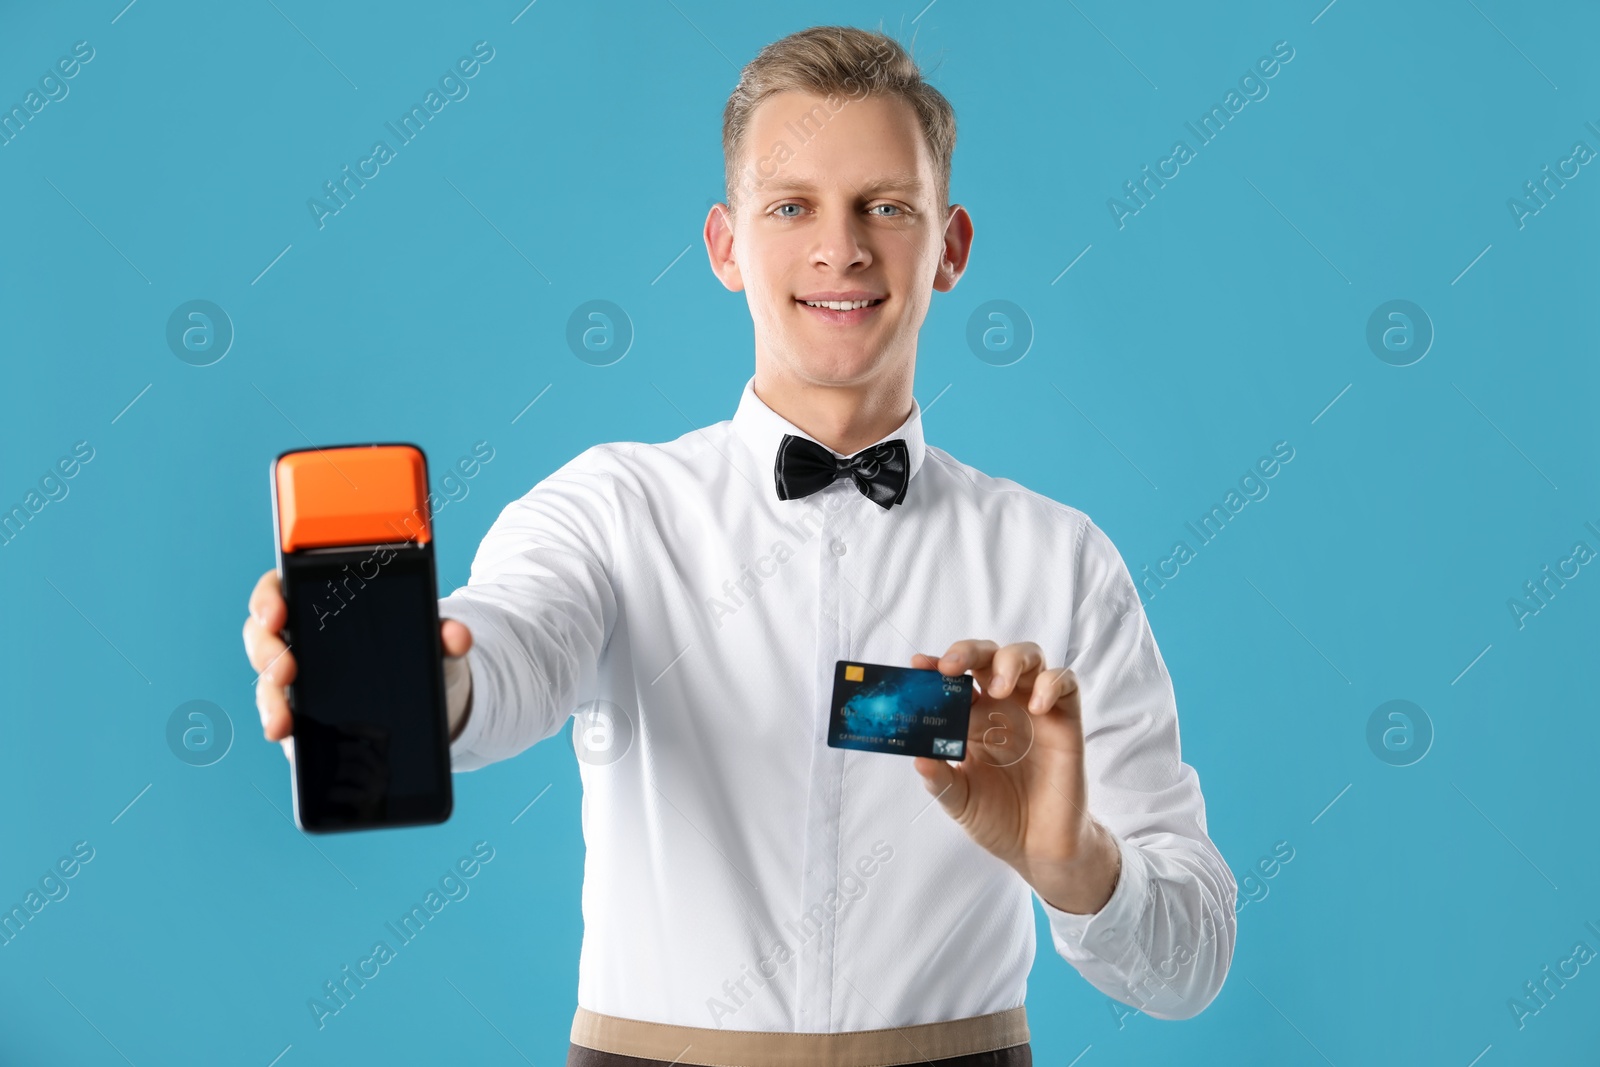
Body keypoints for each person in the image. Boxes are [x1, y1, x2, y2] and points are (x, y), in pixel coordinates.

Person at [242, 24, 1235, 1067]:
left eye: (885, 207)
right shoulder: (609, 507)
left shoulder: (1062, 559)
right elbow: (514, 642)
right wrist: (416, 680)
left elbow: (1192, 963)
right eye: (791, 205)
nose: (839, 248)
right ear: (725, 245)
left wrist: (1076, 862)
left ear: (949, 246)